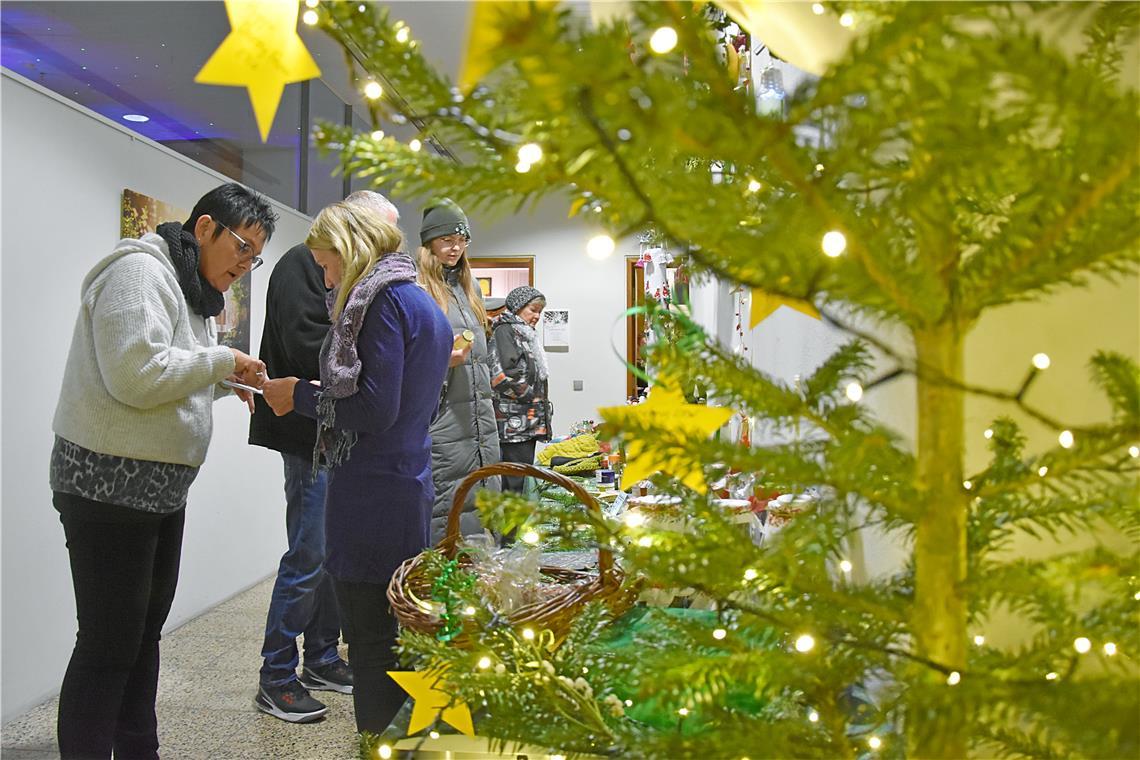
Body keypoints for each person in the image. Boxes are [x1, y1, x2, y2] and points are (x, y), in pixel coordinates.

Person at [49, 182, 275, 759]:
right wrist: (223, 361)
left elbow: (171, 373)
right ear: (205, 228)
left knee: (141, 635)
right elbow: (135, 374)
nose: (246, 265)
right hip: (108, 489)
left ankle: (137, 749)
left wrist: (225, 383)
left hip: (156, 492)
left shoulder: (187, 289)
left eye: (256, 255)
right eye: (244, 248)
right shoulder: (138, 273)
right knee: (107, 643)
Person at [262, 202, 451, 735]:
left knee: (371, 644)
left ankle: (379, 744)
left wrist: (297, 394)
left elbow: (372, 409)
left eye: (326, 265)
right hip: (405, 483)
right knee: (393, 640)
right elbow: (412, 404)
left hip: (370, 494)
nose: (325, 278)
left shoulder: (381, 302)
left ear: (352, 252)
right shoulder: (422, 302)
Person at [248, 191, 401, 723]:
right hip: (304, 432)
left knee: (331, 553)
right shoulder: (300, 263)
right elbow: (305, 339)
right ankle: (275, 675)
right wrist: (372, 365)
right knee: (308, 554)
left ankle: (320, 657)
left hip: (329, 430)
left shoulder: (353, 278)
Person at [417, 199, 501, 542]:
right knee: (448, 510)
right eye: (446, 240)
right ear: (429, 244)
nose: (455, 247)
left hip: (482, 423)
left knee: (484, 507)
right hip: (445, 422)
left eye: (461, 239)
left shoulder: (471, 289)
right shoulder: (420, 289)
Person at [489, 286, 552, 492]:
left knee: (521, 479)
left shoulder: (524, 333)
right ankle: (510, 525)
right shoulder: (505, 331)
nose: (537, 316)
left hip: (526, 421)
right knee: (514, 483)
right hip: (513, 423)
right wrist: (533, 397)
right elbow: (503, 377)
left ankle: (518, 523)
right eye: (533, 310)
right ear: (518, 307)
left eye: (539, 312)